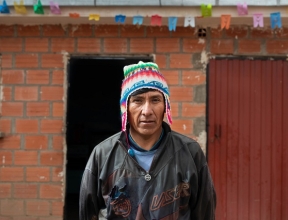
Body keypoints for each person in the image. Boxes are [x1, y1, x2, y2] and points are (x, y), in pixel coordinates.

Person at [79, 61, 216, 220]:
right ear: (126, 108)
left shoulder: (190, 152)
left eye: (155, 100)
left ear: (166, 106)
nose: (147, 111)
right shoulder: (102, 154)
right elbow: (88, 212)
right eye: (138, 100)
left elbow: (205, 211)